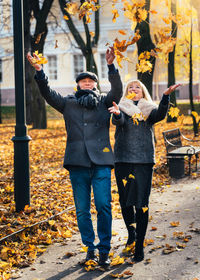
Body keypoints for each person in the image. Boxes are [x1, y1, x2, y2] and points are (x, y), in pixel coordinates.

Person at [27, 47, 123, 266]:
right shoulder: (68, 103)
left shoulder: (104, 102)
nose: (87, 83)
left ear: (96, 85)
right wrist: (40, 71)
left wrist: (111, 65)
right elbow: (48, 94)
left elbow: (117, 89)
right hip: (77, 162)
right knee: (81, 210)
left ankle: (104, 250)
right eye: (84, 81)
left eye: (91, 81)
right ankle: (89, 248)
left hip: (101, 162)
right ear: (78, 85)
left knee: (103, 205)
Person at [108, 79, 181, 262]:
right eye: (130, 87)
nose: (134, 89)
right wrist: (117, 114)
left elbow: (160, 114)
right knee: (125, 202)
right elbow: (119, 121)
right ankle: (131, 233)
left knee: (141, 203)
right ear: (126, 92)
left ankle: (139, 245)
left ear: (143, 92)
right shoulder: (121, 107)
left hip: (143, 161)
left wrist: (165, 96)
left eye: (137, 87)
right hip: (123, 160)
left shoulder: (149, 109)